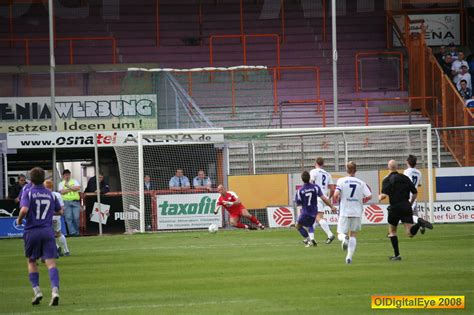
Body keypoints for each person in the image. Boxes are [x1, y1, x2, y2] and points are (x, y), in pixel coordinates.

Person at [17, 167, 61, 306]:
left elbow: (24, 209)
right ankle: (55, 291)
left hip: (32, 231)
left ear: (31, 179)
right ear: (44, 179)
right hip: (47, 231)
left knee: (31, 261)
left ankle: (37, 291)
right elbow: (60, 211)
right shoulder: (51, 194)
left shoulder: (28, 192)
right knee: (51, 262)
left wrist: (19, 220)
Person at [379, 160, 433, 261]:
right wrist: (411, 203)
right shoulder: (405, 178)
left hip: (394, 207)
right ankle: (419, 223)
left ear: (388, 167)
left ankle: (397, 255)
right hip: (406, 206)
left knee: (392, 232)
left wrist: (379, 196)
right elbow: (415, 192)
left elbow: (383, 196)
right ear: (397, 167)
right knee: (410, 234)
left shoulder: (387, 179)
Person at [333, 162, 372, 264]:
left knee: (340, 233)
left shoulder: (341, 180)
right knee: (353, 234)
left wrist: (338, 199)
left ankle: (344, 238)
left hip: (345, 210)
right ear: (356, 170)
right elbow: (369, 196)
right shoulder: (361, 183)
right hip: (357, 211)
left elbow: (336, 194)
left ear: (347, 170)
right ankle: (349, 258)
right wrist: (361, 201)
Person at [295, 171, 336, 247]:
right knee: (311, 224)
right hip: (314, 211)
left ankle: (309, 239)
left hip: (305, 212)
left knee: (297, 225)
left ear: (302, 179)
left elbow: (298, 203)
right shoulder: (316, 187)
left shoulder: (300, 190)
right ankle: (312, 238)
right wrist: (332, 206)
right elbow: (323, 198)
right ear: (309, 178)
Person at [309, 157, 336, 244]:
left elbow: (311, 182)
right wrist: (328, 198)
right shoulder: (328, 174)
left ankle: (330, 234)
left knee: (318, 217)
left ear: (315, 163)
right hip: (323, 198)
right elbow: (332, 189)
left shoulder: (313, 171)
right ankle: (311, 238)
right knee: (313, 218)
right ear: (323, 164)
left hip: (316, 197)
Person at [44, 180, 70, 257]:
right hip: (56, 217)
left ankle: (56, 247)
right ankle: (66, 250)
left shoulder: (42, 195)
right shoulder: (57, 195)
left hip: (46, 217)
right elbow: (62, 208)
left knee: (47, 235)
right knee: (58, 233)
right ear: (52, 187)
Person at [403, 155, 426, 235]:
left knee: (407, 215)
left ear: (407, 162)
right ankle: (420, 226)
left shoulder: (406, 171)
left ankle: (420, 222)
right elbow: (419, 184)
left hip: (407, 195)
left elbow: (404, 182)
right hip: (414, 194)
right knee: (414, 212)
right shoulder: (419, 172)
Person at [58, 170, 81, 237]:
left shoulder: (74, 181)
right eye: (65, 175)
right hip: (66, 202)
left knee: (76, 218)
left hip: (75, 201)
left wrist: (68, 186)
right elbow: (62, 192)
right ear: (63, 176)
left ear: (70, 175)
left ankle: (76, 232)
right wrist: (72, 188)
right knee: (68, 218)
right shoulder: (61, 183)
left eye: (68, 175)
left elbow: (78, 188)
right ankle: (73, 233)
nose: (67, 176)